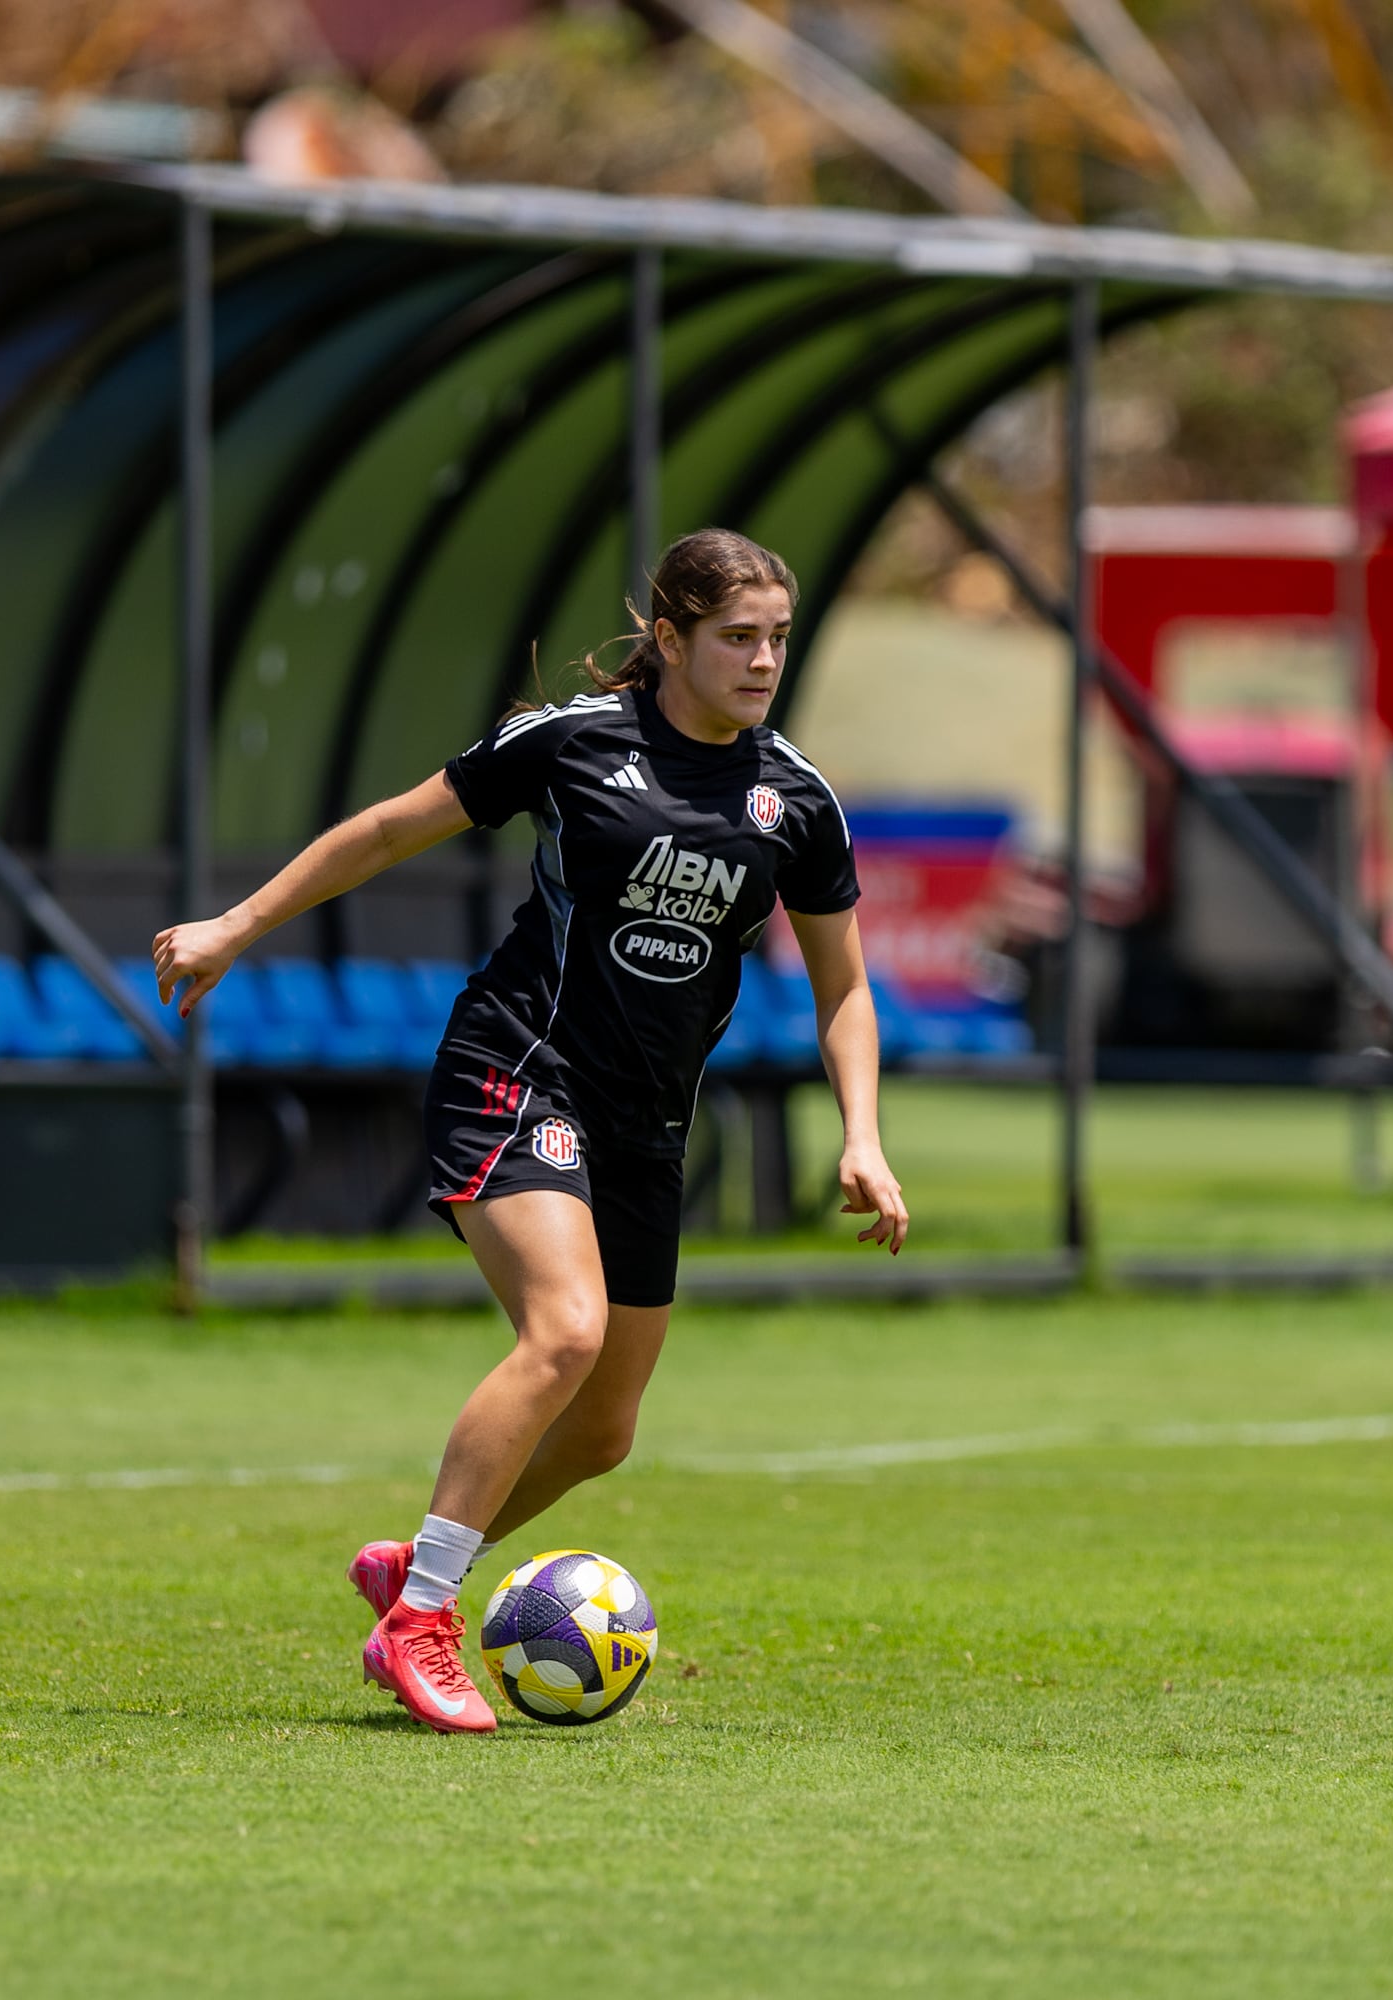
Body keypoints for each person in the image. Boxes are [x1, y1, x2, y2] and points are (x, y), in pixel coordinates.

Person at [153, 529, 908, 1734]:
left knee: (603, 1431)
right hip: (517, 1067)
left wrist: (861, 1133)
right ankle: (421, 1621)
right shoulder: (572, 741)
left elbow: (845, 988)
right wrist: (236, 926)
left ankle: (419, 1562)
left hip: (647, 1127)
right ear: (670, 639)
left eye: (777, 637)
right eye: (737, 637)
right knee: (565, 1328)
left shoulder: (796, 801)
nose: (764, 659)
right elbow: (393, 828)